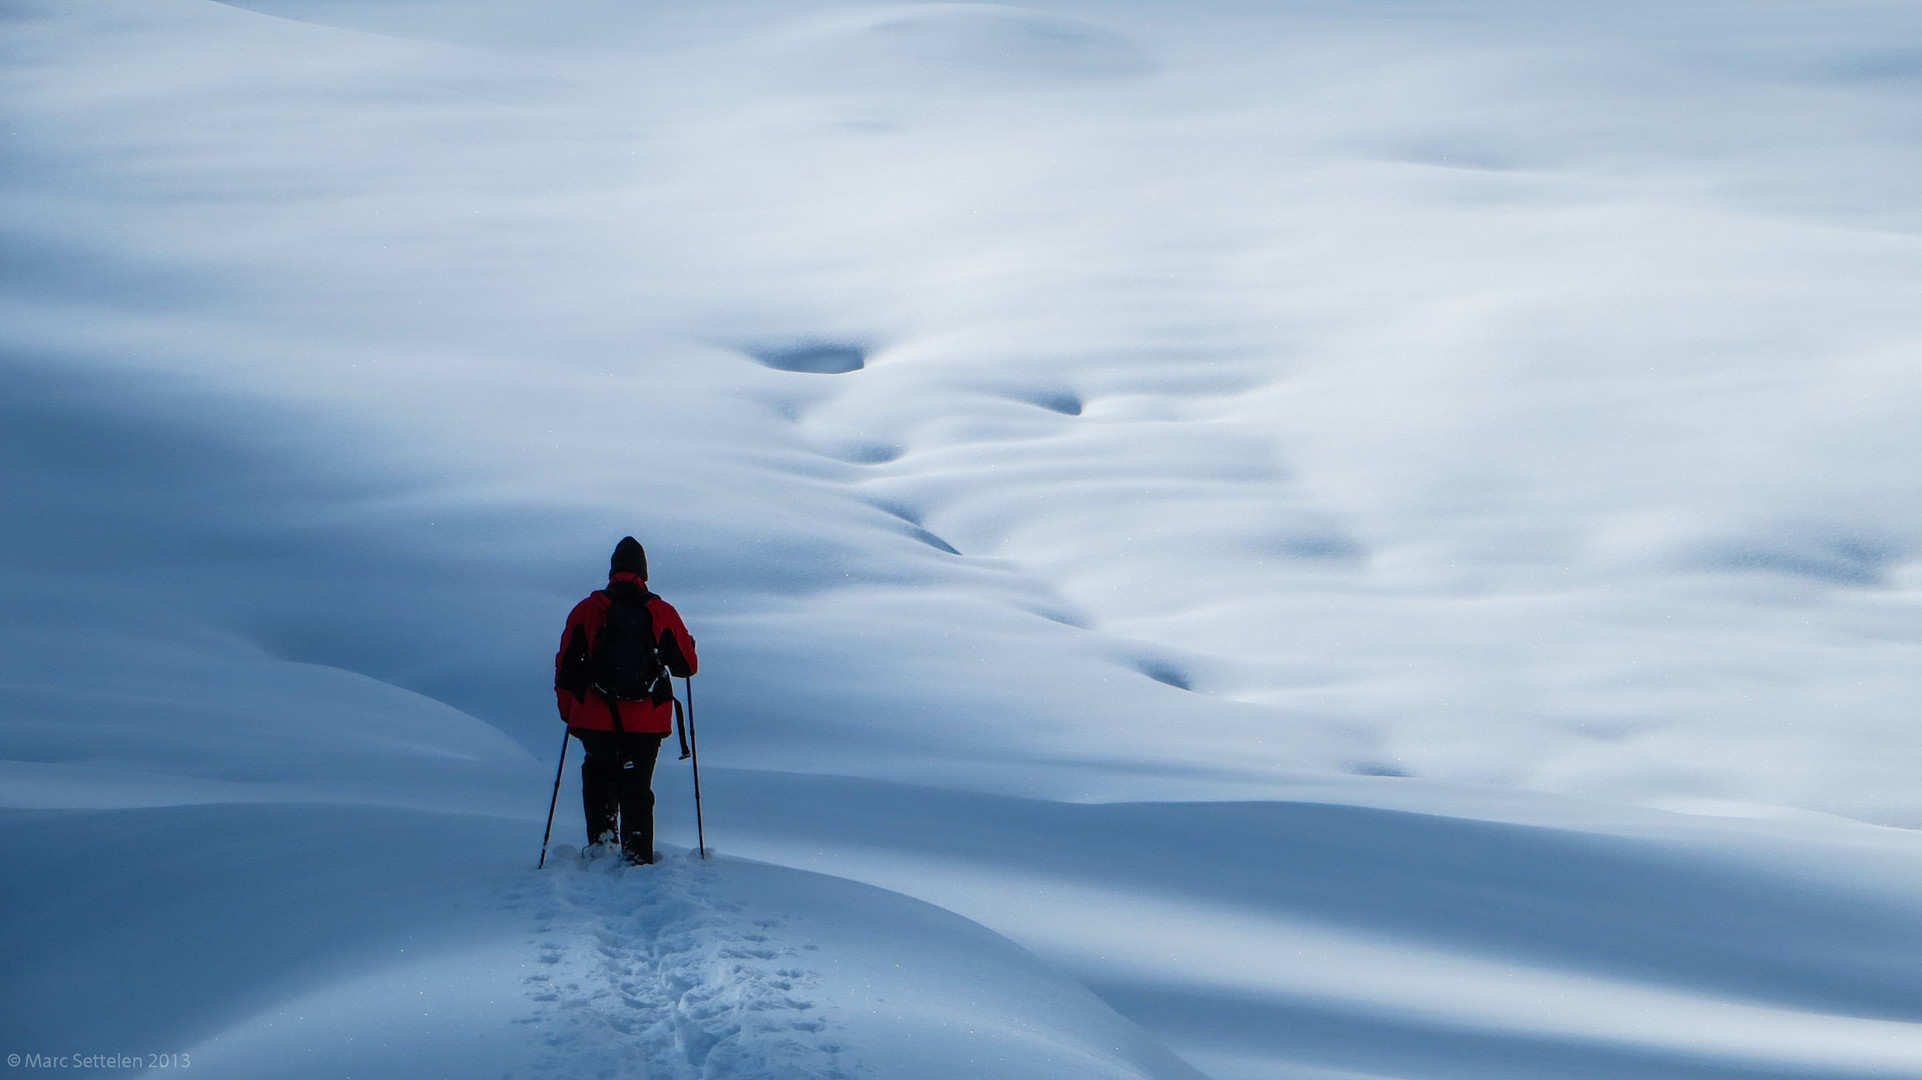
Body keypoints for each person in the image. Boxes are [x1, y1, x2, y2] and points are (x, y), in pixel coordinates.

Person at [553, 536, 698, 865]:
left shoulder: (587, 610)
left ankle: (602, 846)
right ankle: (638, 856)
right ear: (643, 573)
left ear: (612, 571)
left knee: (598, 778)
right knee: (637, 786)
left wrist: (569, 714)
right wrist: (687, 643)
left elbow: (565, 669)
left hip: (594, 717)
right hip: (646, 720)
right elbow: (687, 668)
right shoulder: (660, 610)